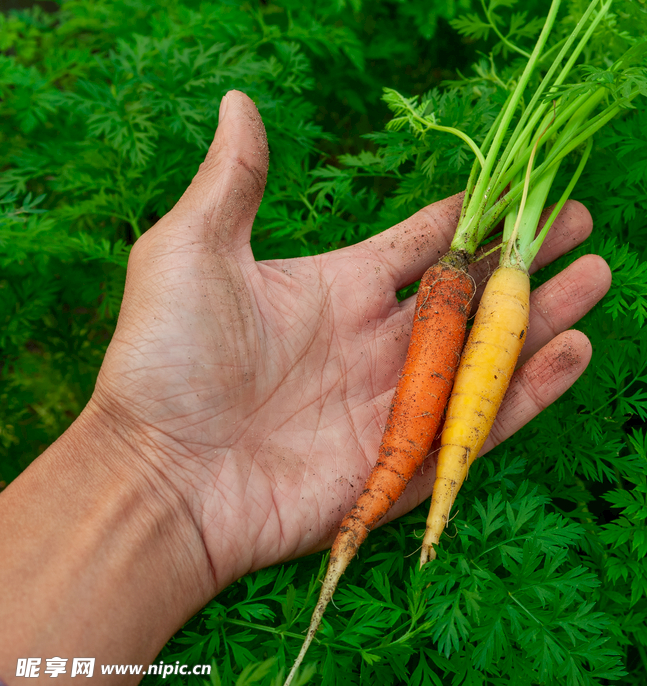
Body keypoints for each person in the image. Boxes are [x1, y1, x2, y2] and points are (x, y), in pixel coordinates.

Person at [0, 91, 611, 684]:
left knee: (452, 439)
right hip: (457, 284)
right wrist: (150, 456)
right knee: (425, 450)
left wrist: (148, 464)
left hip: (487, 283)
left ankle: (420, 522)